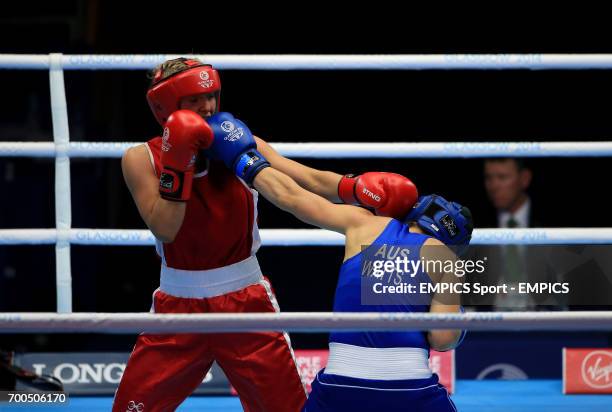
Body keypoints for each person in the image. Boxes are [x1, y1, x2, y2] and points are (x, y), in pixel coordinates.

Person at [114, 57, 418, 412]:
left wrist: (354, 187)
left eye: (212, 95)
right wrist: (179, 161)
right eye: (195, 100)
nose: (208, 106)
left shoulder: (236, 140)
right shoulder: (140, 159)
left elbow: (303, 179)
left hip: (246, 303)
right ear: (167, 106)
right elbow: (165, 228)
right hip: (177, 307)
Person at [207, 111, 473, 412]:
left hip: (339, 385)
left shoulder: (364, 225)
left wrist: (242, 156)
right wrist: (458, 316)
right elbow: (442, 339)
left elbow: (292, 197)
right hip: (409, 387)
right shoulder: (445, 260)